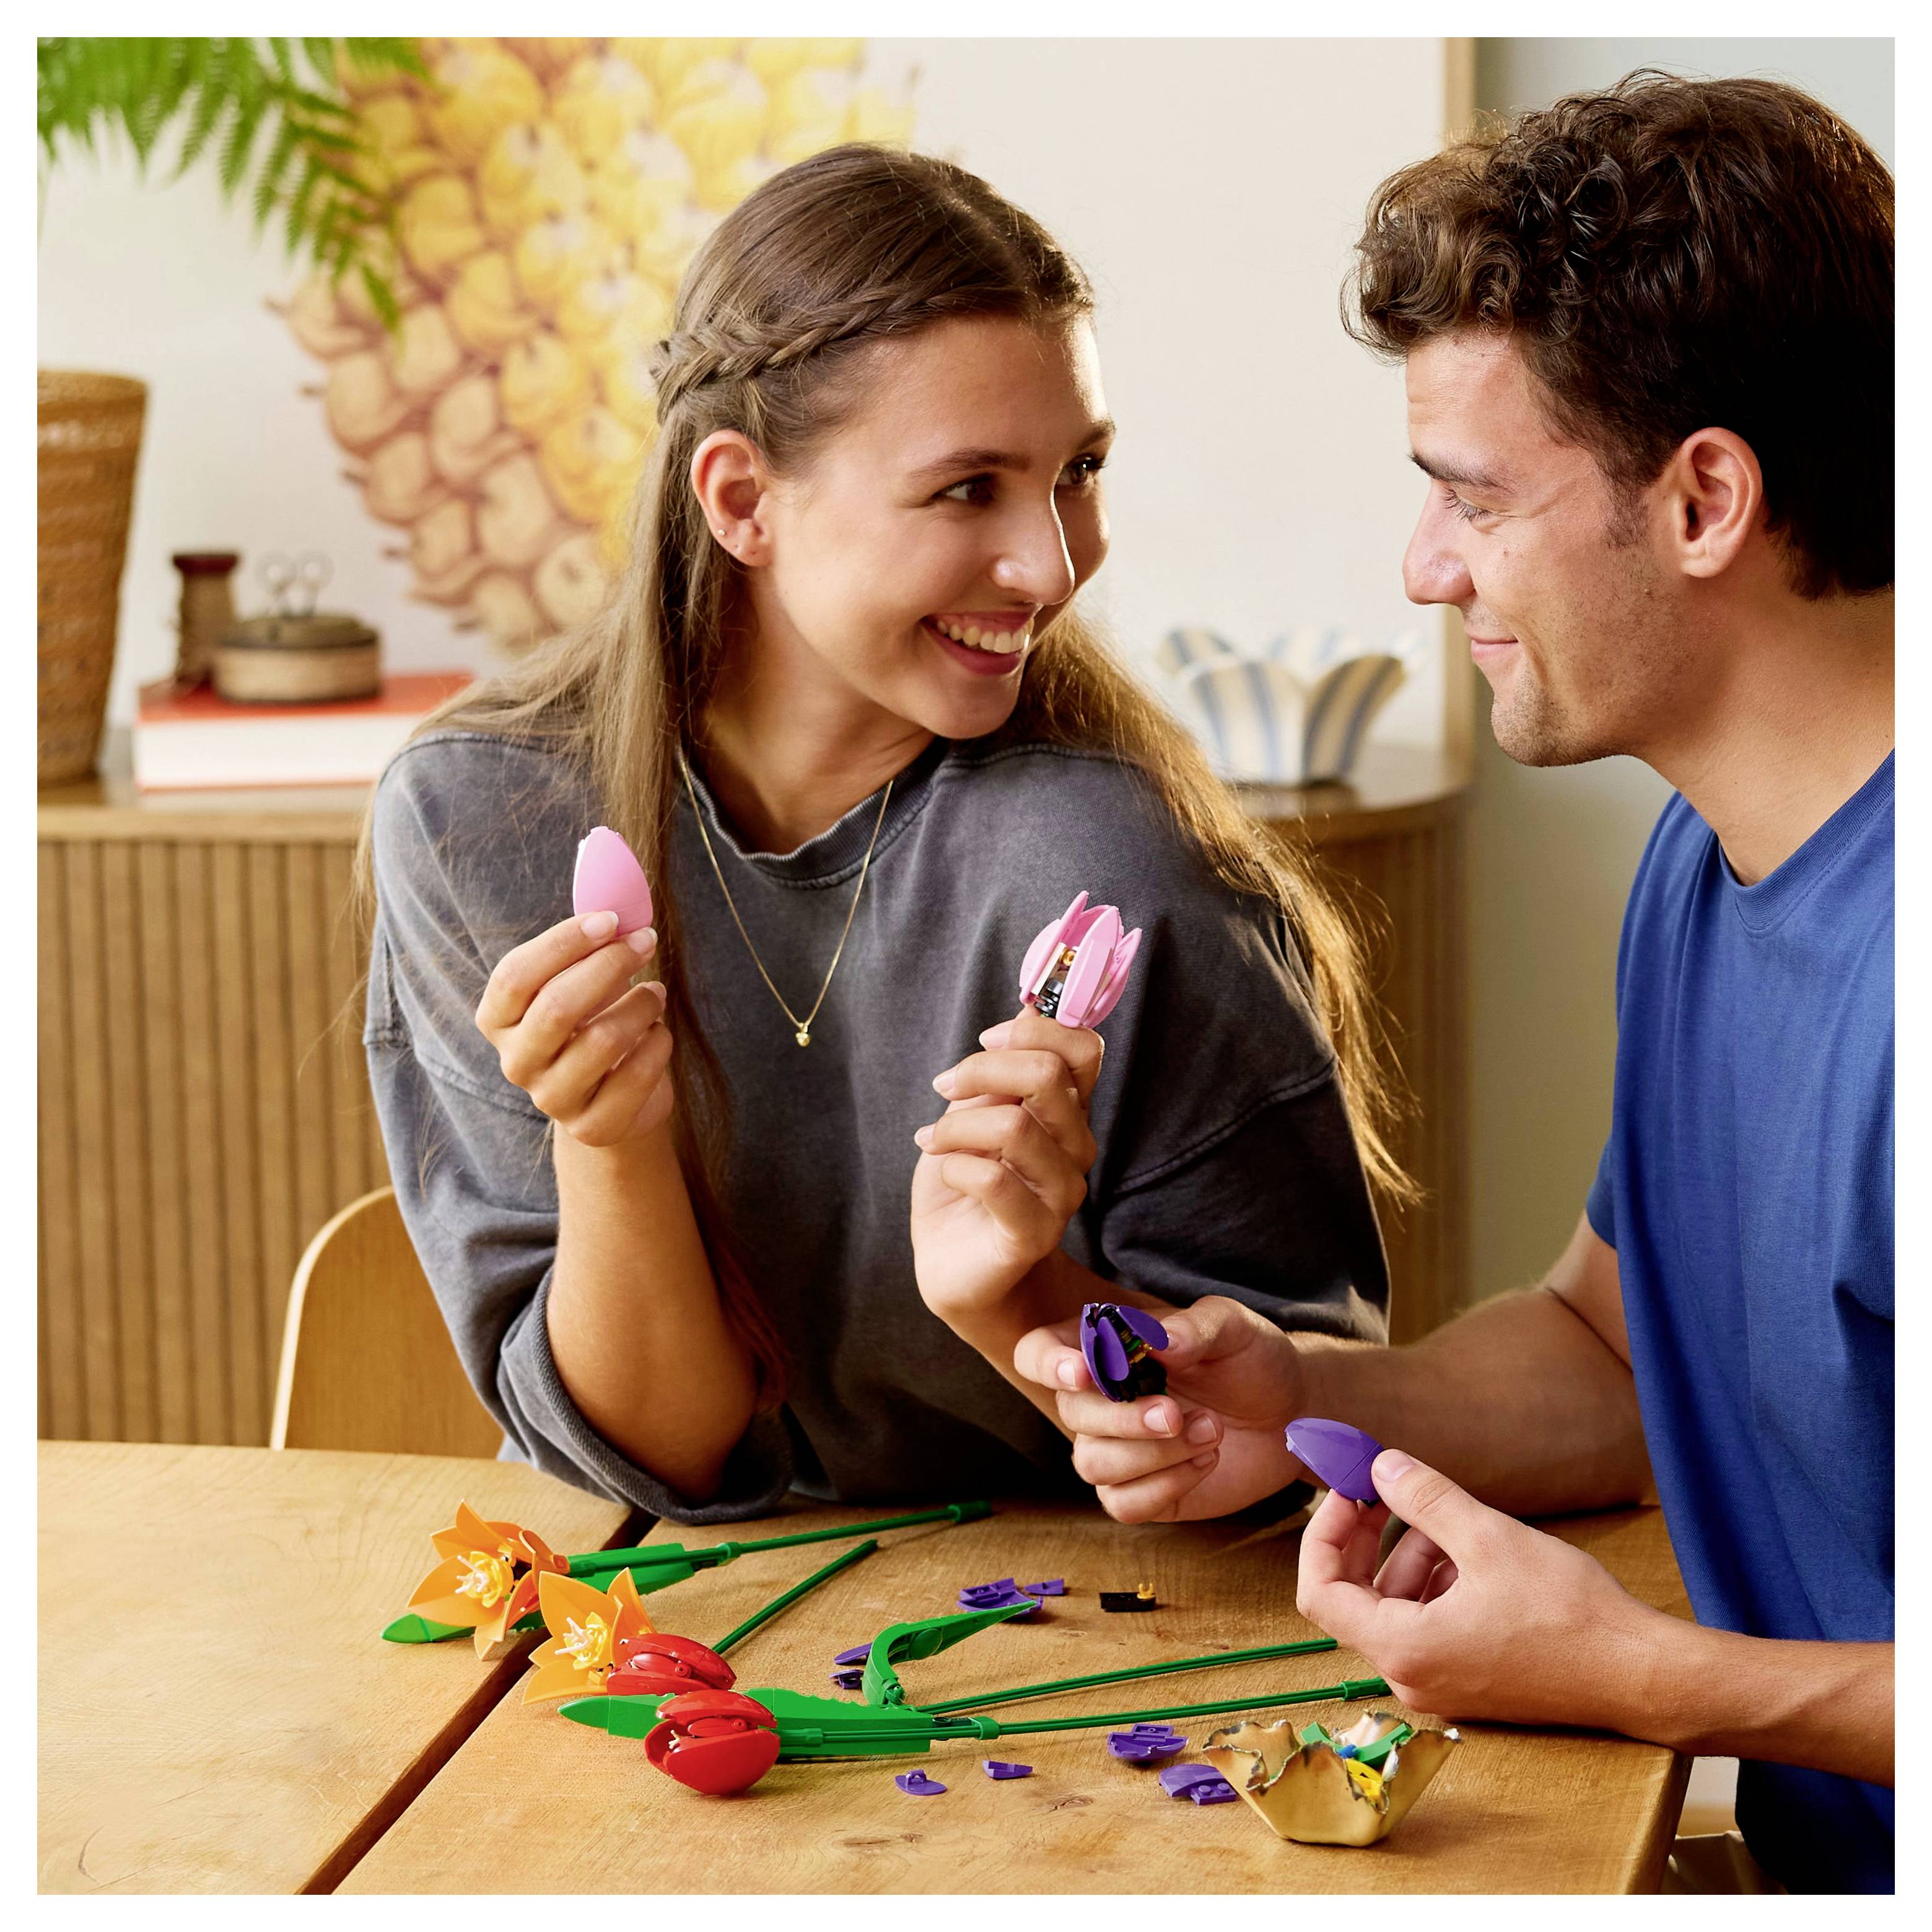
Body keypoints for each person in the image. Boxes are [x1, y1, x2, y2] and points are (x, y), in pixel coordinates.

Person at [1015, 75, 1894, 1894]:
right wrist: (1301, 1398)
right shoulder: (1706, 864)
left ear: (1705, 498)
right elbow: (1615, 1354)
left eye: (1471, 502)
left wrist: (1639, 1675)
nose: (1427, 573)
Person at [362, 144, 1403, 1531]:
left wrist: (1022, 1298)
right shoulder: (483, 815)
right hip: (650, 1618)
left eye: (1076, 471)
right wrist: (609, 1144)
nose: (1051, 564)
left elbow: (1293, 1434)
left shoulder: (1111, 864)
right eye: (968, 487)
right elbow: (662, 1461)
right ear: (742, 502)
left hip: (1076, 1637)